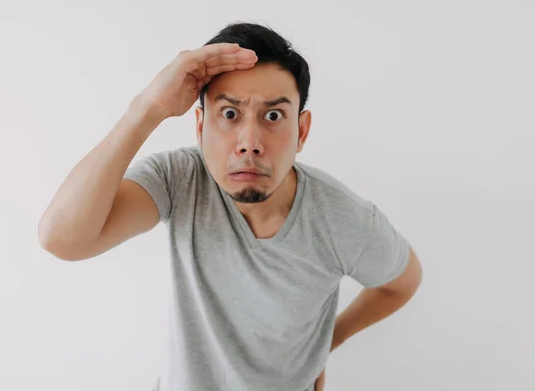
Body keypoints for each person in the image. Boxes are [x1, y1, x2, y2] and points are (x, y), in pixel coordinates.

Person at [38, 22, 423, 391]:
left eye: (273, 116)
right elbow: (61, 238)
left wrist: (326, 345)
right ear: (200, 126)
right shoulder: (180, 179)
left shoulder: (341, 219)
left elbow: (402, 283)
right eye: (229, 114)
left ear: (301, 131)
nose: (249, 142)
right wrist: (147, 107)